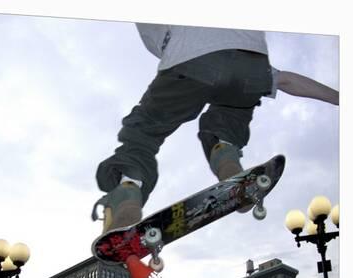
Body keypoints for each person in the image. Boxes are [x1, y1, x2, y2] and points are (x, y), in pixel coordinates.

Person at [92, 23, 339, 234]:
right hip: (251, 62)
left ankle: (128, 189)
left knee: (143, 133)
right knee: (230, 116)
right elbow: (287, 80)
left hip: (189, 58)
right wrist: (339, 97)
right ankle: (225, 154)